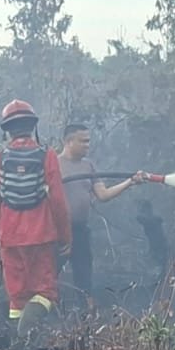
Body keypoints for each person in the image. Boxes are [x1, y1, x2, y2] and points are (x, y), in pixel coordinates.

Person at [0, 100, 72, 335]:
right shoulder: (47, 155)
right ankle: (25, 340)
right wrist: (65, 237)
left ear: (7, 130)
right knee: (45, 293)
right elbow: (58, 201)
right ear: (32, 125)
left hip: (9, 238)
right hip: (41, 235)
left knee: (17, 297)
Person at [57, 124, 143, 309]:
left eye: (88, 141)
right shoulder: (53, 165)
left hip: (79, 232)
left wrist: (130, 182)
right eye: (83, 141)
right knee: (47, 278)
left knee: (84, 278)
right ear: (68, 141)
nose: (87, 145)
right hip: (56, 234)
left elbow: (103, 195)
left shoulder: (89, 166)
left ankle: (85, 321)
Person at [134, 198, 169, 272]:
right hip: (156, 245)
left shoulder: (153, 220)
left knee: (159, 263)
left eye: (144, 208)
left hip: (159, 245)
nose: (143, 210)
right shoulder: (154, 219)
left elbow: (141, 219)